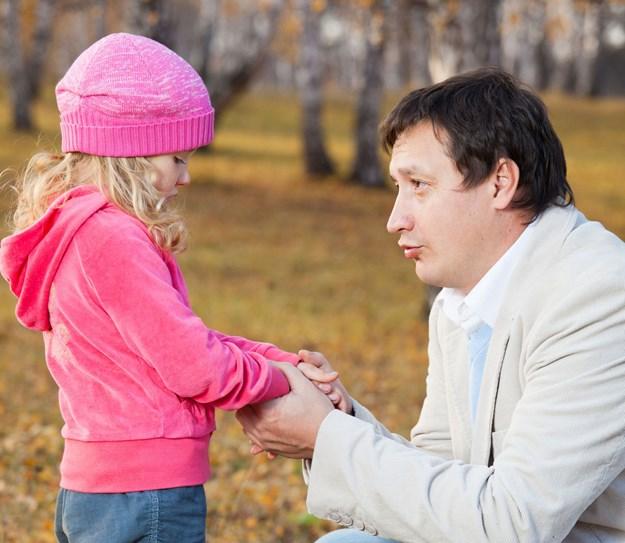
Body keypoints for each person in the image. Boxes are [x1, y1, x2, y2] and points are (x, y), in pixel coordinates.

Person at [236, 68, 625, 542]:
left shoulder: (600, 295)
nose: (395, 219)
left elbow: (513, 524)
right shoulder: (460, 301)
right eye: (399, 187)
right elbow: (443, 475)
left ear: (501, 182)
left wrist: (326, 437)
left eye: (419, 185)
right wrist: (339, 420)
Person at [0, 33, 335, 543]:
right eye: (177, 158)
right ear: (133, 152)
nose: (186, 176)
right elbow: (193, 366)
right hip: (146, 494)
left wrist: (278, 361)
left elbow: (172, 341)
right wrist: (279, 382)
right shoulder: (112, 240)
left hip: (97, 489)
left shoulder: (82, 232)